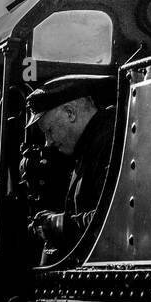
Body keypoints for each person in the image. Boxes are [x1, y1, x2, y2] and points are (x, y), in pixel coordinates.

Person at [24, 74, 115, 257]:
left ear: (70, 113)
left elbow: (110, 221)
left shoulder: (109, 142)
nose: (48, 142)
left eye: (49, 130)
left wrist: (55, 226)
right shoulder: (89, 146)